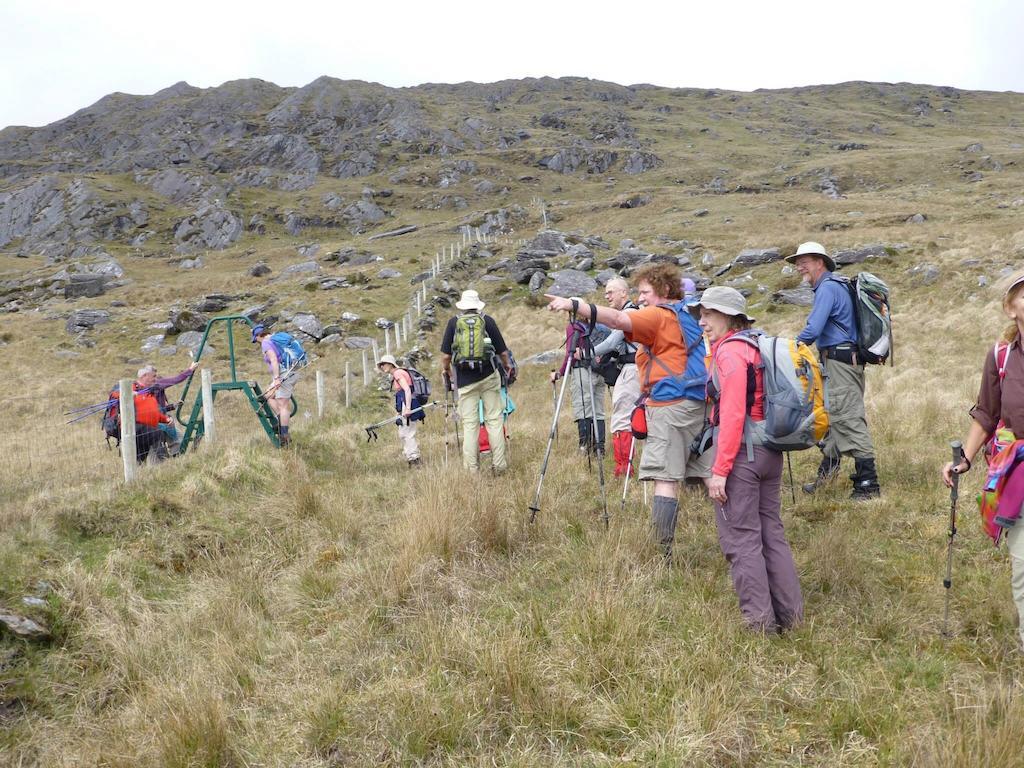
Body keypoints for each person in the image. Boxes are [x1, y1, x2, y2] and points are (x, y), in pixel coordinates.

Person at [545, 263, 711, 561]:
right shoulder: (690, 311)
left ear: (663, 290)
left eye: (645, 292)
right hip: (699, 401)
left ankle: (662, 553)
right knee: (710, 475)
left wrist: (577, 306)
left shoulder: (659, 315)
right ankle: (736, 534)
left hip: (670, 405)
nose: (642, 298)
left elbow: (620, 319)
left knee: (665, 479)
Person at [697, 287, 804, 633]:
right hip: (771, 453)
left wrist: (719, 471)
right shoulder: (757, 345)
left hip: (742, 456)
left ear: (728, 317)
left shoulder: (729, 354)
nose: (703, 321)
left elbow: (730, 415)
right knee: (772, 533)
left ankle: (759, 623)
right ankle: (791, 617)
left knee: (742, 539)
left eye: (709, 314)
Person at [943, 271, 1024, 649]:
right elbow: (988, 414)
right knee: (1023, 568)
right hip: (1018, 471)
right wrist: (966, 459)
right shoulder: (1001, 356)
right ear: (1010, 309)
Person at [787, 241, 881, 499]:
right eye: (797, 262)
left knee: (849, 418)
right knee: (831, 417)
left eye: (803, 261)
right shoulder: (834, 285)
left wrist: (790, 347)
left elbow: (814, 329)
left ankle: (868, 484)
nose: (798, 266)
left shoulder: (827, 288)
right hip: (839, 362)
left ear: (820, 262)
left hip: (840, 364)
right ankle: (826, 477)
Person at [440, 290, 514, 472]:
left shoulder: (453, 323)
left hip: (465, 381)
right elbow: (502, 352)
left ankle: (472, 469)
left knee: (470, 426)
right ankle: (499, 465)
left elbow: (446, 355)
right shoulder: (487, 321)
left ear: (462, 306)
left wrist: (446, 370)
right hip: (489, 376)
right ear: (478, 305)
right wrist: (507, 365)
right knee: (494, 421)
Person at [592, 277, 640, 476]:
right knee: (624, 415)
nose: (607, 296)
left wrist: (588, 352)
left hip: (632, 369)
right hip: (631, 368)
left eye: (611, 291)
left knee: (622, 417)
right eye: (606, 292)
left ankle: (624, 467)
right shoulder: (628, 313)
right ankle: (623, 465)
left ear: (624, 293)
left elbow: (612, 342)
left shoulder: (629, 314)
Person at [551, 311, 608, 454]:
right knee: (598, 411)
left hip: (582, 371)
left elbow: (571, 353)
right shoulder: (598, 326)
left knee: (583, 408)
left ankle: (585, 447)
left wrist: (560, 372)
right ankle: (599, 448)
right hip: (600, 372)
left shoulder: (574, 326)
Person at [252, 325, 301, 447]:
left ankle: (284, 435)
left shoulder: (265, 343)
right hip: (290, 371)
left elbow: (274, 360)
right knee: (268, 395)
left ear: (259, 336)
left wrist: (276, 378)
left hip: (284, 374)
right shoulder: (274, 339)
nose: (256, 342)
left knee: (283, 405)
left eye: (255, 339)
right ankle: (281, 419)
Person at [135, 361, 199, 454]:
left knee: (155, 446)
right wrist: (190, 369)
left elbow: (156, 408)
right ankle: (177, 459)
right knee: (178, 439)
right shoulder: (156, 384)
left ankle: (169, 462)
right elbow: (175, 379)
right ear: (145, 376)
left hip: (145, 425)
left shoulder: (135, 388)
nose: (155, 379)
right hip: (155, 423)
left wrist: (172, 406)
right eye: (153, 376)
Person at [377, 354, 423, 466]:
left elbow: (407, 390)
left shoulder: (397, 373)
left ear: (390, 364)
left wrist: (407, 408)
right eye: (381, 365)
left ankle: (414, 459)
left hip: (407, 403)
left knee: (408, 432)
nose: (382, 366)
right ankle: (410, 456)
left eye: (384, 364)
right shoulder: (397, 373)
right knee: (403, 432)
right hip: (405, 403)